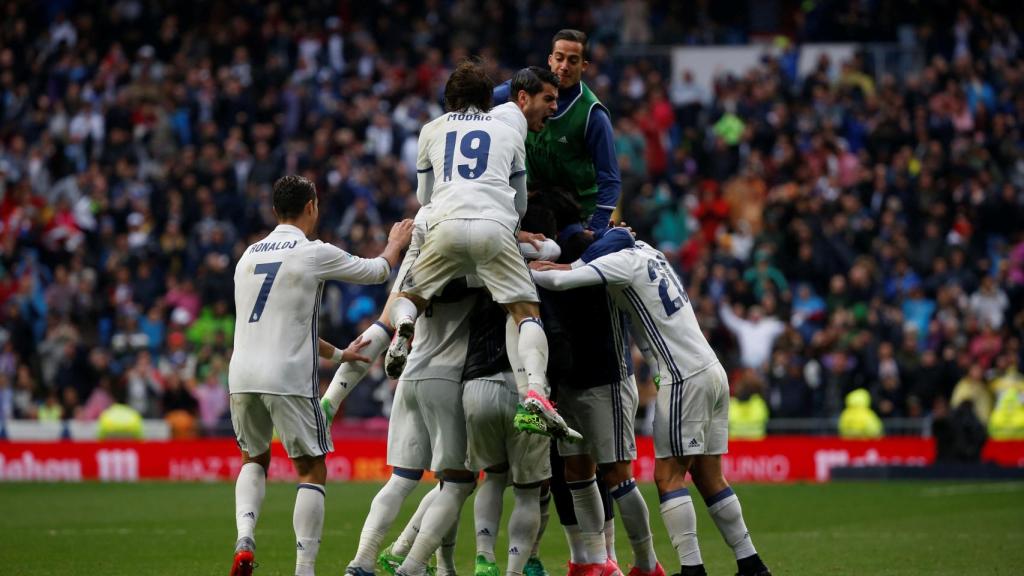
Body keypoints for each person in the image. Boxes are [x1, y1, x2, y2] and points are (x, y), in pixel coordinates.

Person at [530, 232, 772, 576]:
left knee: (668, 477)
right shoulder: (648, 251)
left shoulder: (620, 262)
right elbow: (599, 250)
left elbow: (559, 279)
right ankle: (752, 564)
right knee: (709, 476)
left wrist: (525, 269)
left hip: (682, 375)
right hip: (712, 370)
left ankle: (692, 569)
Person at [383, 59, 580, 442]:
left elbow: (424, 197)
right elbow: (520, 204)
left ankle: (403, 328)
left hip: (443, 224)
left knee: (409, 297)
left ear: (450, 99)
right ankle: (537, 392)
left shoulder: (430, 130)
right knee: (526, 314)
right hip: (494, 227)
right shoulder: (508, 130)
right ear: (490, 98)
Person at [227, 175, 413, 576]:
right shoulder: (311, 251)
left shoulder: (247, 257)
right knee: (311, 469)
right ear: (311, 206)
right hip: (288, 378)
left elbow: (277, 323)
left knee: (253, 458)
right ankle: (305, 569)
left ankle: (245, 538)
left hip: (241, 375)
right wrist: (396, 243)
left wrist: (338, 353)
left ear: (276, 210)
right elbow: (378, 271)